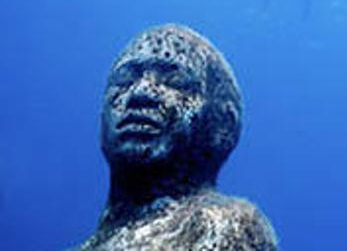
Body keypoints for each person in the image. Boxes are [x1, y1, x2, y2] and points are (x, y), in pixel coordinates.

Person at [77, 24, 278, 250]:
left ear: (224, 123)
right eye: (124, 80)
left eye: (175, 82)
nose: (141, 92)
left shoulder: (222, 225)